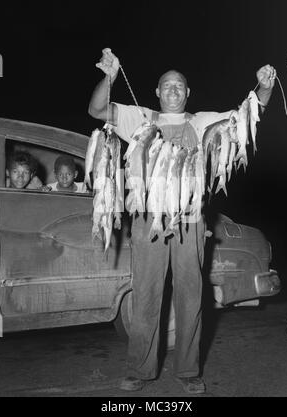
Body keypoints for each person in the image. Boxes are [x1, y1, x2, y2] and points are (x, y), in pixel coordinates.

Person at [88, 48, 276, 394]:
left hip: (190, 221)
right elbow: (97, 109)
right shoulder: (140, 118)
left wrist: (263, 87)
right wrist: (110, 77)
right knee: (145, 295)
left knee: (191, 295)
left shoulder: (202, 121)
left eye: (179, 86)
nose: (173, 90)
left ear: (187, 93)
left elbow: (246, 117)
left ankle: (189, 370)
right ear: (157, 93)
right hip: (148, 221)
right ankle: (139, 370)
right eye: (166, 86)